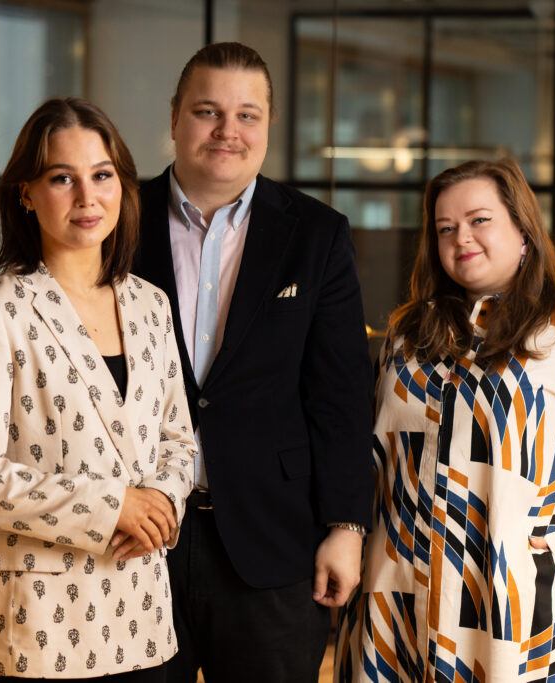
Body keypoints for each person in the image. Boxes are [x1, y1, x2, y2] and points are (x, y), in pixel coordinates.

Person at [336, 158, 555, 682]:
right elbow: (370, 454)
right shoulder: (408, 336)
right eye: (446, 228)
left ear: (523, 231)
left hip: (506, 606)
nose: (461, 237)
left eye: (479, 220)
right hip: (393, 595)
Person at [132, 43, 374, 682]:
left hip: (274, 540)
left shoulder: (317, 234)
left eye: (247, 115)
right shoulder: (116, 219)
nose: (227, 131)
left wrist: (347, 525)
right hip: (135, 539)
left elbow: (341, 394)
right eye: (207, 111)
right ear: (176, 117)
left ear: (269, 124)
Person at [0, 98, 196, 682]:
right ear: (26, 193)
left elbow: (179, 438)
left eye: (102, 175)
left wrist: (161, 504)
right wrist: (112, 506)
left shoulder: (151, 305)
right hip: (36, 624)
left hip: (142, 613)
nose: (87, 197)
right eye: (62, 178)